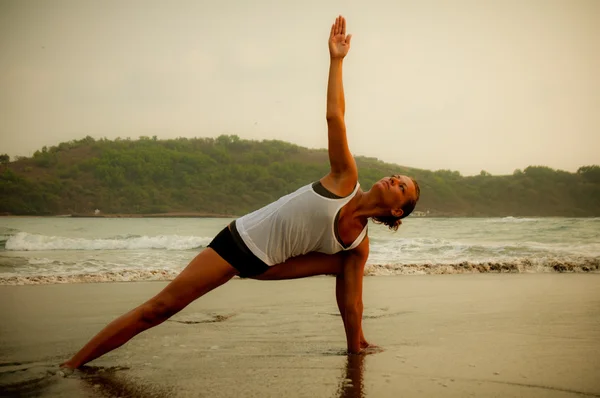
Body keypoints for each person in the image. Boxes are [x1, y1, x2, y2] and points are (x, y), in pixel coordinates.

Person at [60, 15, 420, 370]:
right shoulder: (345, 179)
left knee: (349, 266)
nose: (393, 180)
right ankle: (73, 364)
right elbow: (335, 117)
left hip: (267, 267)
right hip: (239, 243)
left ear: (398, 212)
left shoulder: (359, 245)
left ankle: (356, 344)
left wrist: (354, 347)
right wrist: (336, 61)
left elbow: (353, 302)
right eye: (395, 176)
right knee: (159, 309)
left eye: (401, 186)